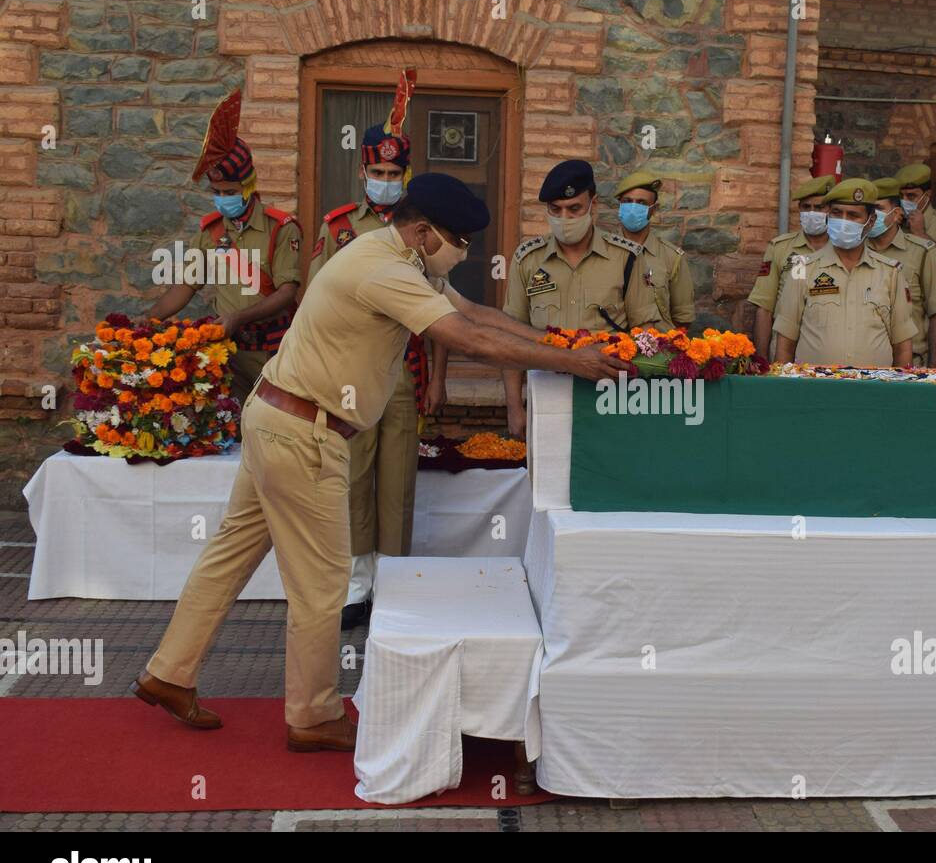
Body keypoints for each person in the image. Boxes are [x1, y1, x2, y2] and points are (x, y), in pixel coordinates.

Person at [132, 173, 629, 752]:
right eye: (458, 241)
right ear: (422, 232)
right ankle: (313, 715)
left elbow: (476, 314)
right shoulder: (385, 270)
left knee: (229, 554)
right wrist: (572, 365)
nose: (464, 252)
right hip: (306, 433)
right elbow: (468, 339)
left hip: (278, 417)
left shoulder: (397, 258)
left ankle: (169, 672)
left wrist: (564, 348)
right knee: (323, 585)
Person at [303, 70, 442, 630]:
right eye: (377, 171)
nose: (385, 180)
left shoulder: (422, 230)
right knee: (355, 477)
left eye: (394, 173)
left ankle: (394, 583)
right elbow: (313, 300)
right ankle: (356, 587)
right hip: (352, 377)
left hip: (406, 371)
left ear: (406, 175)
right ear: (362, 171)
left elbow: (440, 311)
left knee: (398, 480)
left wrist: (438, 376)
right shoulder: (339, 227)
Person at [146, 90, 302, 405]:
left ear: (249, 186)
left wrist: (239, 317)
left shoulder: (281, 229)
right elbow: (186, 286)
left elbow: (287, 293)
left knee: (269, 431)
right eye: (216, 191)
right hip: (226, 351)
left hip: (273, 351)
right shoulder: (210, 232)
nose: (222, 198)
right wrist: (150, 320)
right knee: (228, 433)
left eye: (229, 191)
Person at [501, 159, 652, 438]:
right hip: (545, 393)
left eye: (574, 209)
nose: (565, 218)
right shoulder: (528, 259)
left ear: (592, 205)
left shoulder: (627, 258)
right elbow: (511, 338)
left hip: (607, 397)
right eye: (555, 210)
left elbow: (647, 332)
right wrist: (513, 405)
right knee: (549, 480)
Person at [773, 178, 914, 368]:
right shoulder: (802, 269)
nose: (843, 222)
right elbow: (785, 343)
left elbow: (902, 346)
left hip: (875, 390)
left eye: (853, 215)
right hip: (814, 390)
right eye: (837, 213)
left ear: (870, 221)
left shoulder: (890, 273)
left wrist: (900, 394)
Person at [867, 176, 936, 368]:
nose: (872, 215)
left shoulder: (922, 251)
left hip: (911, 365)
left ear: (897, 212)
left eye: (878, 209)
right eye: (868, 209)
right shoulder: (857, 251)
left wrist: (934, 372)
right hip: (863, 365)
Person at [747, 174, 834, 358]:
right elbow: (764, 307)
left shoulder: (843, 250)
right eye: (806, 207)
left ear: (831, 211)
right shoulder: (780, 248)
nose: (812, 213)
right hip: (782, 349)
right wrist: (762, 359)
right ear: (799, 210)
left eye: (819, 207)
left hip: (826, 349)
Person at [612, 169, 695, 331]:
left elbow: (682, 319)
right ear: (620, 206)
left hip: (656, 351)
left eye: (642, 203)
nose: (633, 207)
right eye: (627, 201)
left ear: (653, 209)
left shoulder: (671, 257)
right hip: (609, 350)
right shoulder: (602, 252)